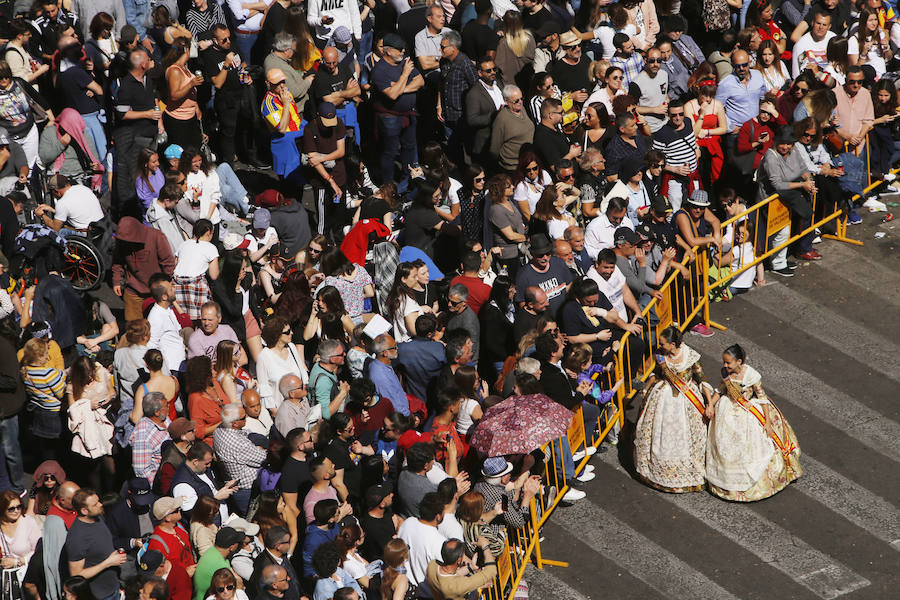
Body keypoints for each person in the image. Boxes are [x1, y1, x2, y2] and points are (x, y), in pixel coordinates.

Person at [705, 344, 802, 501]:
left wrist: (768, 423)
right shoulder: (726, 373)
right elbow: (721, 390)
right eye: (724, 362)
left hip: (748, 411)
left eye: (728, 362)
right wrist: (711, 404)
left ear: (739, 361)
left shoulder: (752, 376)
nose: (725, 365)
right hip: (728, 409)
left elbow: (762, 398)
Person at [633, 326, 711, 493]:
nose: (659, 345)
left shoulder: (689, 356)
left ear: (673, 344)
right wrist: (647, 388)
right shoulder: (660, 356)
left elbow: (702, 379)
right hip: (663, 397)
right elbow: (656, 373)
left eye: (663, 343)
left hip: (687, 400)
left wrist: (709, 403)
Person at [65, 489, 128, 600]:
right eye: (95, 504)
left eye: (98, 501)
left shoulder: (97, 517)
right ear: (84, 511)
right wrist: (108, 563)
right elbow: (76, 575)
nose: (100, 504)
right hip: (98, 595)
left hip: (113, 587)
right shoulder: (77, 538)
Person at [256, 316, 309, 413]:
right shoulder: (264, 356)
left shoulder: (291, 348)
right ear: (277, 335)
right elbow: (264, 388)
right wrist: (274, 411)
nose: (291, 333)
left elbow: (302, 372)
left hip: (300, 407)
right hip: (280, 410)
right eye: (287, 332)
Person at [426, 538, 497, 600]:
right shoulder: (458, 586)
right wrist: (486, 547)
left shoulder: (432, 565)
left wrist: (471, 567)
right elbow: (491, 571)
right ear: (459, 560)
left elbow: (451, 577)